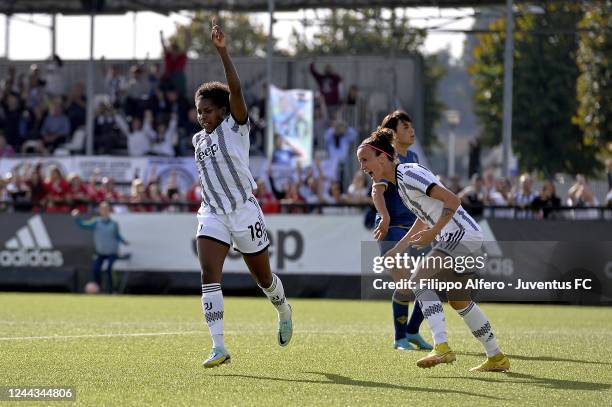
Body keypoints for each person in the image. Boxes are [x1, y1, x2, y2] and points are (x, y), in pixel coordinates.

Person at [357, 128, 510, 372]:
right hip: (464, 236)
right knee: (459, 300)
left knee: (417, 279)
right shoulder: (402, 185)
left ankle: (442, 347)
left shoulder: (408, 174)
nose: (363, 167)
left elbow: (453, 200)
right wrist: (399, 248)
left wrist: (432, 231)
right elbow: (424, 217)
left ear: (383, 157)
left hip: (461, 234)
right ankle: (496, 357)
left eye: (365, 160)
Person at [192, 18, 293, 368]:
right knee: (209, 273)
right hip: (213, 212)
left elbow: (235, 90)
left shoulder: (236, 128)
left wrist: (223, 52)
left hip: (244, 212)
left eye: (207, 110)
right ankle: (218, 346)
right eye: (199, 111)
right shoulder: (197, 140)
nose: (202, 116)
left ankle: (282, 308)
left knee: (264, 279)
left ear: (223, 110)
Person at [371, 110, 431, 351]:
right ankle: (399, 338)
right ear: (393, 133)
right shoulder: (387, 157)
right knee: (405, 284)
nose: (411, 130)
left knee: (429, 281)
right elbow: (377, 191)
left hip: (415, 229)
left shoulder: (414, 156)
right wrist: (384, 216)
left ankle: (413, 331)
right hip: (392, 229)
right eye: (405, 127)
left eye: (411, 126)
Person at [72, 202, 129, 294]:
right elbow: (83, 225)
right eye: (102, 209)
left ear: (109, 211)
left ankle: (112, 290)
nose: (104, 211)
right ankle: (98, 289)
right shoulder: (96, 222)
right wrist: (76, 218)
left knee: (110, 269)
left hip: (112, 253)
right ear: (99, 210)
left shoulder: (114, 224)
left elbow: (117, 235)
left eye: (106, 209)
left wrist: (123, 241)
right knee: (95, 268)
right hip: (100, 253)